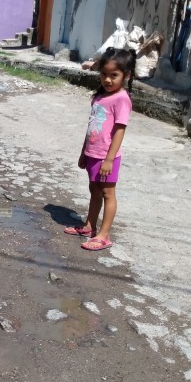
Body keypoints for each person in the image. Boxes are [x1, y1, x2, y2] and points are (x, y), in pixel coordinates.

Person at [64, 47, 135, 250]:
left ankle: (104, 235)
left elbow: (120, 131)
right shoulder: (100, 96)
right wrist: (83, 153)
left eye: (114, 75)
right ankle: (89, 226)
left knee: (107, 193)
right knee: (94, 190)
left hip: (107, 157)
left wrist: (109, 160)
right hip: (93, 154)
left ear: (126, 75)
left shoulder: (121, 99)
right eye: (104, 74)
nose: (108, 80)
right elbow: (92, 127)